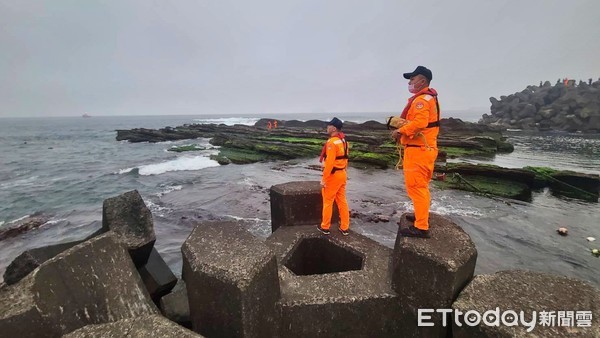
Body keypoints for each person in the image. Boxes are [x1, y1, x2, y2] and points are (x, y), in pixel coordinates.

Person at [391, 66, 440, 238]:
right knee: (421, 187)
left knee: (417, 188)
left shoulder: (422, 100)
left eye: (412, 79)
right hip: (423, 149)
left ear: (423, 80)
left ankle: (421, 227)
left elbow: (420, 123)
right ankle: (421, 216)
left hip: (419, 150)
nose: (410, 82)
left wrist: (400, 131)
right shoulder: (428, 98)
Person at [317, 117, 350, 236]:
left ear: (334, 128)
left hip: (333, 176)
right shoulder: (344, 141)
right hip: (342, 174)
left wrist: (324, 179)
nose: (327, 127)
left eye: (328, 125)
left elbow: (330, 163)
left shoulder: (331, 142)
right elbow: (345, 159)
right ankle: (344, 227)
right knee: (342, 201)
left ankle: (325, 227)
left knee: (328, 201)